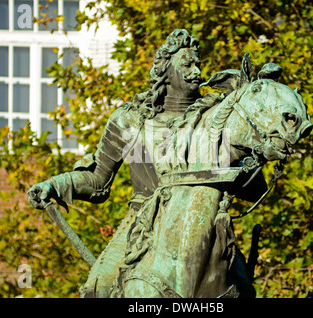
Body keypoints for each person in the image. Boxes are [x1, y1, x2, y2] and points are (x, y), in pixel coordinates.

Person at [28, 29, 218, 297]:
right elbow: (97, 180)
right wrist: (55, 184)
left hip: (201, 224)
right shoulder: (130, 121)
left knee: (241, 289)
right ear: (165, 71)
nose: (196, 70)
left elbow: (243, 182)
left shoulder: (213, 118)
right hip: (141, 224)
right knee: (99, 289)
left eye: (198, 63)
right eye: (187, 64)